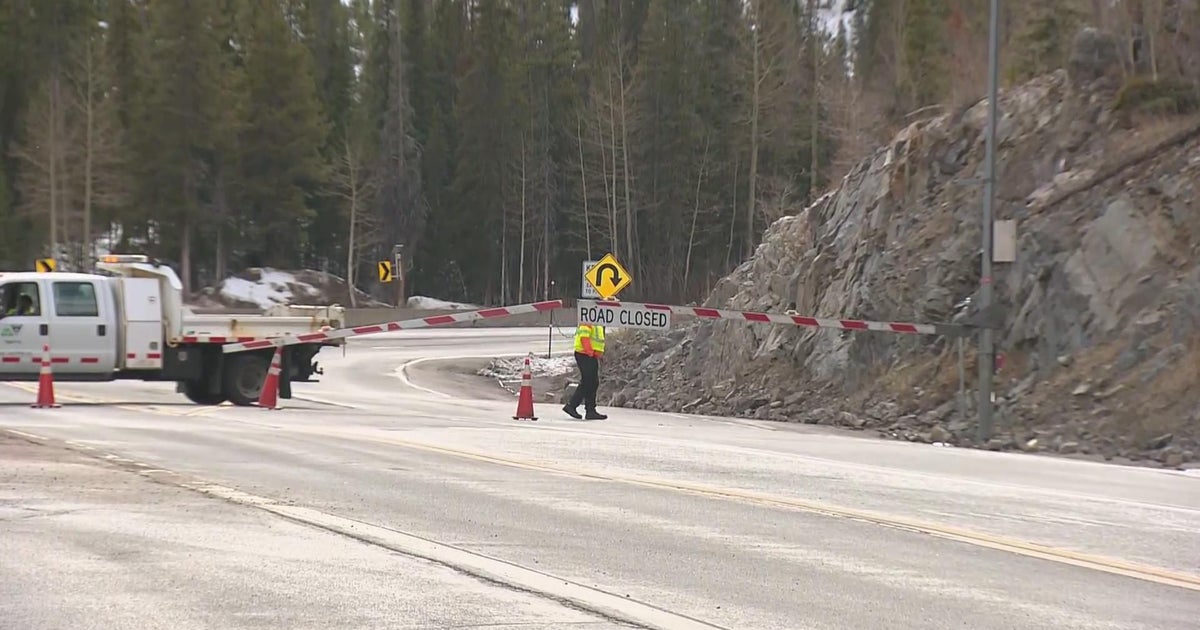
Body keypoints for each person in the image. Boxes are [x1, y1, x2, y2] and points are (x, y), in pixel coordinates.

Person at [563, 322, 608, 420]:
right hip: (584, 354)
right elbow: (584, 337)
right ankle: (573, 406)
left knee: (592, 382)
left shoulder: (597, 320)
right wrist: (590, 352)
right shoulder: (588, 319)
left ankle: (589, 410)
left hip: (590, 354)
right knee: (588, 382)